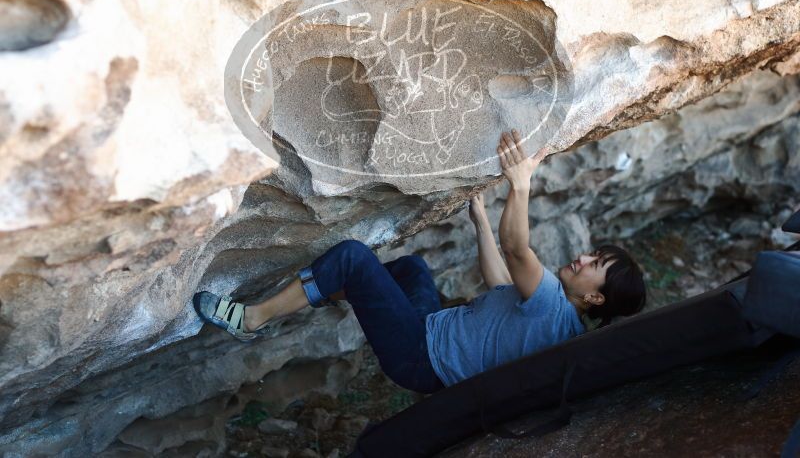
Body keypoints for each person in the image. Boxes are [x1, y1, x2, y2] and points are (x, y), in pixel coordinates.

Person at [193, 130, 647, 393]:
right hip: (432, 331)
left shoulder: (552, 303)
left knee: (353, 257)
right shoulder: (560, 323)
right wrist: (480, 221)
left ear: (594, 296)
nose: (584, 257)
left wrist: (520, 183)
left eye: (595, 263)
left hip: (420, 356)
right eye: (593, 253)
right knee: (412, 269)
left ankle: (253, 319)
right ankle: (326, 289)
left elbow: (517, 249)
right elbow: (499, 283)